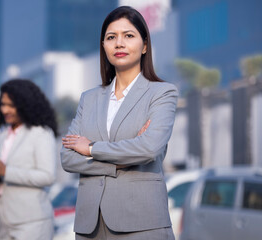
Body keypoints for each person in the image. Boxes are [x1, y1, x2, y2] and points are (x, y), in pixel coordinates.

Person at [61, 6, 178, 240]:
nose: (119, 43)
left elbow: (148, 148)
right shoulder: (89, 98)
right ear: (103, 47)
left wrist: (92, 148)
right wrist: (119, 163)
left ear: (145, 45)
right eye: (111, 37)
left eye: (129, 36)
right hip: (91, 226)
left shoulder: (162, 93)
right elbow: (68, 158)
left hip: (141, 222)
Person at [0, 79, 57, 240]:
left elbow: (47, 176)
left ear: (25, 105)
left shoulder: (41, 133)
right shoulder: (2, 134)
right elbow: (2, 173)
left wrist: (5, 171)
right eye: (2, 104)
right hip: (4, 221)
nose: (5, 110)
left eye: (11, 105)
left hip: (32, 222)